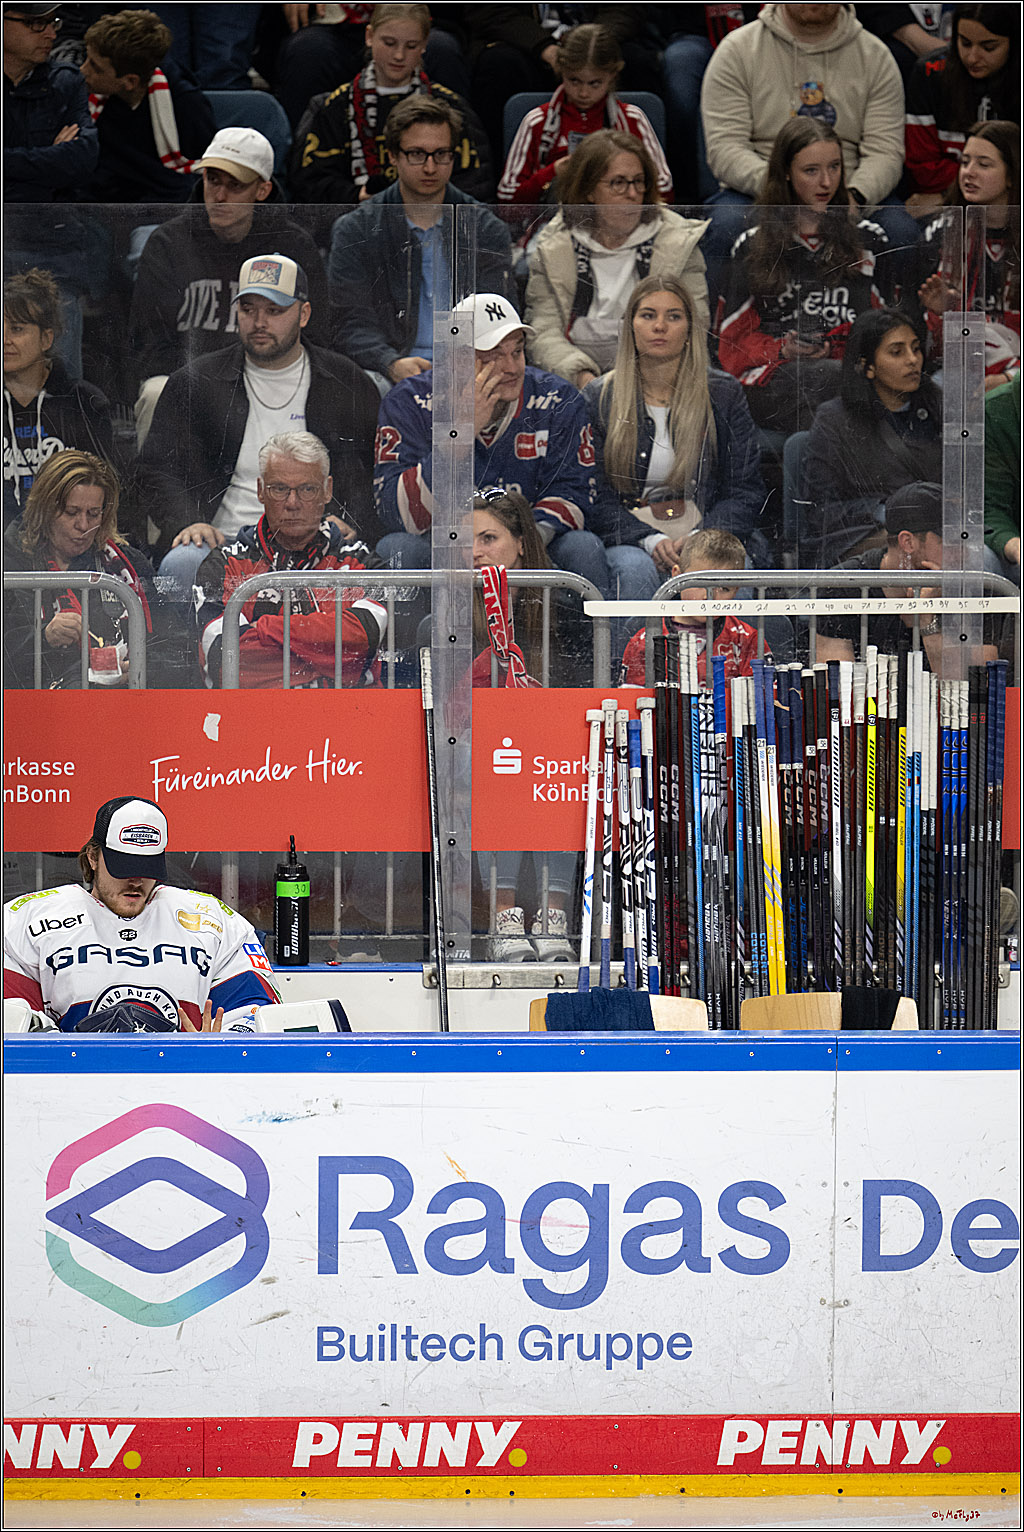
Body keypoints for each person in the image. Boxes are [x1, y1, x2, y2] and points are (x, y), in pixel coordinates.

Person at [140, 252, 381, 600]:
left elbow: (369, 471)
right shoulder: (195, 382)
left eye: (274, 310)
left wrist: (351, 520)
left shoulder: (347, 382)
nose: (259, 322)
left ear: (304, 314)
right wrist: (187, 522)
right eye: (248, 309)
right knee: (181, 564)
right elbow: (157, 468)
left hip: (318, 542)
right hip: (223, 542)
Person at [374, 291, 631, 604]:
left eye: (518, 351)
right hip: (443, 547)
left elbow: (575, 495)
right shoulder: (409, 401)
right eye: (493, 356)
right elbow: (397, 514)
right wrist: (459, 437)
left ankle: (591, 654)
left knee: (582, 547)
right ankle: (417, 655)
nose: (511, 367)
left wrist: (514, 543)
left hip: (531, 540)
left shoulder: (558, 399)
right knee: (397, 550)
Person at [2, 795, 280, 1032]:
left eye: (146, 867)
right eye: (123, 866)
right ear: (93, 857)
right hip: (67, 1084)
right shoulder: (24, 920)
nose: (135, 880)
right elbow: (11, 1018)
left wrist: (214, 1048)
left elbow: (260, 1018)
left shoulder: (214, 921)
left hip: (186, 1087)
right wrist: (63, 1046)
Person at [129, 127, 330, 444]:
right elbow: (149, 345)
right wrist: (207, 382)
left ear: (262, 190)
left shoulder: (294, 245)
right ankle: (154, 492)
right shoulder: (168, 243)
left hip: (270, 378)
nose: (219, 196)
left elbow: (315, 335)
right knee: (155, 391)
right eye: (212, 180)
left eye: (235, 185)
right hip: (191, 383)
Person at [699, 3, 908, 287]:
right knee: (726, 226)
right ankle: (717, 329)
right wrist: (785, 188)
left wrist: (854, 195)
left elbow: (886, 152)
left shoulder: (876, 56)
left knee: (902, 232)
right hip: (761, 187)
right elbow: (725, 148)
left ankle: (901, 330)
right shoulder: (737, 50)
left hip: (848, 188)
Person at [584, 276, 765, 591]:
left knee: (731, 572)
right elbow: (592, 493)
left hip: (707, 533)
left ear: (689, 329)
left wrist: (701, 539)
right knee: (635, 570)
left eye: (674, 316)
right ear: (631, 326)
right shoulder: (599, 397)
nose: (660, 326)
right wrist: (648, 540)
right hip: (630, 538)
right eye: (648, 315)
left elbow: (744, 489)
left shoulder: (722, 394)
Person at [469, 490, 589, 961]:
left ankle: (554, 919)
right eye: (466, 540)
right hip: (481, 751)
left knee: (554, 778)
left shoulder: (563, 613)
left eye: (489, 538)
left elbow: (574, 699)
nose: (476, 551)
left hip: (544, 746)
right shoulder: (445, 619)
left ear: (521, 543)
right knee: (490, 779)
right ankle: (505, 920)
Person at [716, 117, 892, 437]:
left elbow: (884, 329)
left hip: (845, 376)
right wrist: (783, 349)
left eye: (835, 167)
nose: (827, 182)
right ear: (786, 172)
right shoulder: (753, 245)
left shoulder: (869, 241)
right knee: (828, 384)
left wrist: (839, 347)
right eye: (811, 171)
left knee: (835, 392)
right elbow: (732, 342)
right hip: (776, 376)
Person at [328, 94, 513, 388]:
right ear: (393, 155)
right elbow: (350, 320)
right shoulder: (356, 230)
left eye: (441, 154)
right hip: (392, 369)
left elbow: (499, 317)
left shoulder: (485, 228)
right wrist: (389, 362)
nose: (430, 167)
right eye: (417, 154)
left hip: (470, 367)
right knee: (371, 386)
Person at [193, 431, 386, 690]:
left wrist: (262, 630)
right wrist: (327, 657)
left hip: (348, 717)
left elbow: (364, 649)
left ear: (327, 490)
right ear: (261, 491)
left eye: (307, 489)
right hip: (252, 718)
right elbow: (225, 659)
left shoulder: (363, 562)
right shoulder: (223, 565)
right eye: (280, 489)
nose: (292, 503)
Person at [525, 130, 709, 391]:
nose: (632, 194)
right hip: (578, 385)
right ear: (589, 191)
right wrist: (584, 378)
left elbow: (695, 326)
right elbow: (543, 333)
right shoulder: (555, 246)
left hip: (660, 380)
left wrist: (643, 382)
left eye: (638, 181)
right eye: (618, 183)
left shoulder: (678, 241)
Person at [3, 449, 183, 691]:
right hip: (45, 713)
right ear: (44, 509)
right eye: (71, 512)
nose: (83, 526)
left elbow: (177, 648)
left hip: (129, 705)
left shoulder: (129, 562)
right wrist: (44, 637)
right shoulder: (10, 562)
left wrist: (143, 668)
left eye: (93, 514)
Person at [292, 3, 493, 206]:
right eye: (389, 43)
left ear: (425, 44)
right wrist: (357, 196)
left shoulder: (451, 108)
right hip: (354, 227)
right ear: (369, 36)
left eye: (411, 46)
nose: (399, 55)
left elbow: (475, 185)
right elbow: (310, 184)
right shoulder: (333, 108)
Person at [801, 308, 942, 566]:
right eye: (896, 352)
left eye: (916, 348)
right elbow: (821, 510)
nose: (913, 360)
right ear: (867, 367)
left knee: (979, 561)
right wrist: (884, 511)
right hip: (865, 537)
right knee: (911, 555)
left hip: (938, 536)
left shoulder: (938, 408)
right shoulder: (834, 420)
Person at [814, 480, 1000, 669]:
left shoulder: (975, 588)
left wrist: (927, 623)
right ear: (908, 542)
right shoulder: (842, 586)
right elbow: (837, 690)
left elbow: (977, 688)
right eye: (952, 542)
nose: (964, 553)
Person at [497, 23, 672, 205]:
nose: (583, 93)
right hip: (553, 224)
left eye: (595, 83)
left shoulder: (633, 119)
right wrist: (553, 172)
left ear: (612, 76)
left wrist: (624, 177)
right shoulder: (536, 121)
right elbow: (507, 198)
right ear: (561, 71)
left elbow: (664, 189)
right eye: (574, 81)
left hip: (623, 223)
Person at [3, 267, 114, 524]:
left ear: (46, 339)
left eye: (17, 329)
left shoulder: (85, 404)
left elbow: (106, 494)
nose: (4, 339)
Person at [916, 119, 1020, 387]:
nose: (968, 173)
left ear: (1012, 175)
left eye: (983, 164)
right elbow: (933, 352)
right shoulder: (941, 234)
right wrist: (944, 312)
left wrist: (1009, 378)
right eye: (965, 162)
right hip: (960, 374)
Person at [79, 8, 215, 203]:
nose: (83, 71)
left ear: (130, 82)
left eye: (95, 67)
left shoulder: (186, 103)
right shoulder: (85, 94)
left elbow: (205, 170)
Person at [619, 528, 767, 688]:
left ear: (736, 589)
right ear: (677, 576)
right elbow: (635, 703)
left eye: (724, 588)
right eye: (698, 583)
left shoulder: (747, 639)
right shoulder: (646, 641)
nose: (709, 596)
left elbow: (761, 701)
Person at [905, 4, 1018, 212]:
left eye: (989, 47)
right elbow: (921, 167)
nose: (973, 57)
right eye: (965, 43)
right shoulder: (929, 73)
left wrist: (944, 196)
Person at [3, 2, 97, 203]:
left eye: (52, 23)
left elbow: (81, 162)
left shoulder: (67, 81)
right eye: (35, 23)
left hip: (51, 217)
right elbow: (62, 164)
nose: (51, 35)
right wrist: (51, 156)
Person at [984, 372, 1020, 581]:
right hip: (1015, 552)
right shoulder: (996, 411)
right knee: (981, 560)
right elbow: (989, 508)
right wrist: (1013, 544)